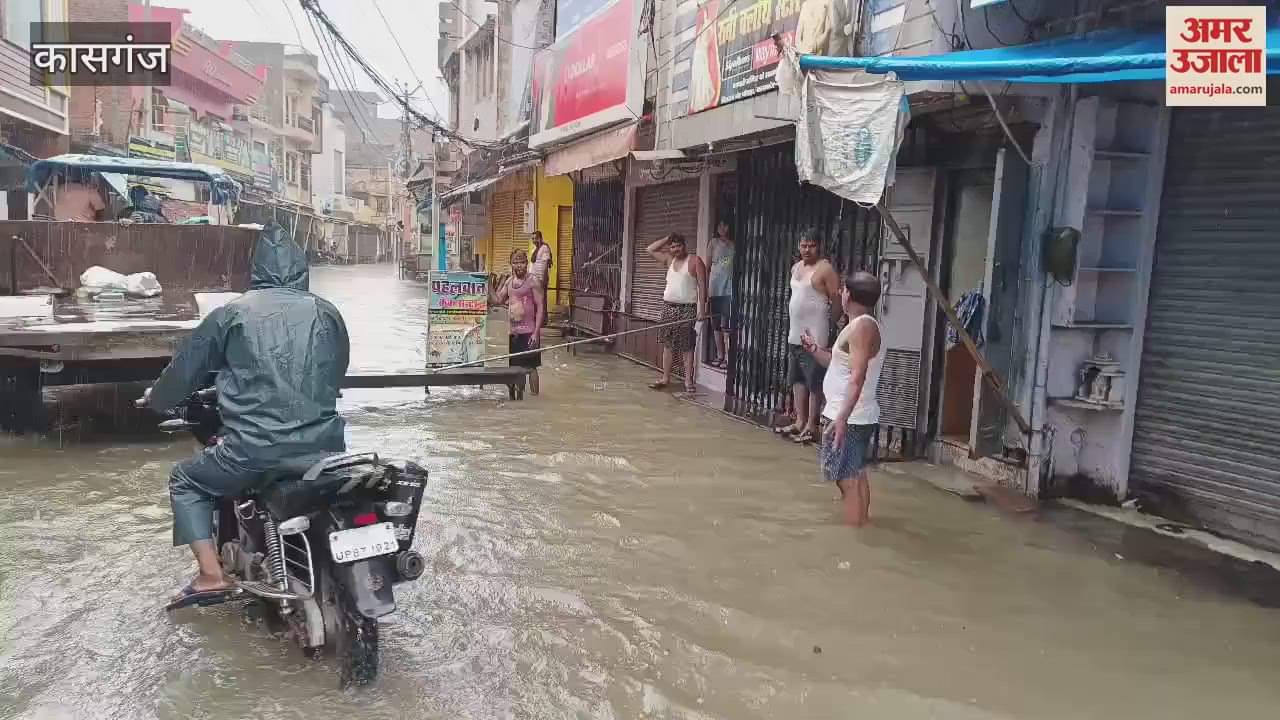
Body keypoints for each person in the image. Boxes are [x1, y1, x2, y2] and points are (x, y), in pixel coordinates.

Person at [143, 224, 350, 605]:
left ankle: (211, 576)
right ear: (302, 269)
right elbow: (336, 374)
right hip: (325, 450)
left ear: (257, 270)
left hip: (251, 451)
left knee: (185, 480)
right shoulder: (327, 311)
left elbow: (183, 374)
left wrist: (156, 399)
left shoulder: (232, 313)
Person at [802, 272, 884, 527]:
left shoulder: (862, 328)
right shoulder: (859, 326)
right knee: (855, 475)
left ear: (850, 295)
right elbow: (840, 365)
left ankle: (855, 534)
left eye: (844, 290)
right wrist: (815, 350)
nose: (840, 293)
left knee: (847, 480)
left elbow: (857, 376)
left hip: (850, 416)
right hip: (854, 414)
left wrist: (841, 419)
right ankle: (863, 526)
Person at [776, 227, 840, 444]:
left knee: (814, 381)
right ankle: (799, 421)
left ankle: (812, 425)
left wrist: (831, 323)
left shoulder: (825, 269)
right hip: (795, 334)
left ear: (819, 246)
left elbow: (836, 300)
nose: (807, 250)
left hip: (816, 335)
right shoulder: (796, 268)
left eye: (811, 246)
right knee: (797, 379)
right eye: (803, 245)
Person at [646, 232, 708, 394]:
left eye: (678, 246)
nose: (676, 249)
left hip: (687, 309)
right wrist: (667, 238)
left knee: (687, 346)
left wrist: (702, 310)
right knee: (668, 345)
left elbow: (703, 287)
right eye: (672, 247)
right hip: (668, 307)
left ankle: (688, 381)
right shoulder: (669, 260)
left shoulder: (695, 261)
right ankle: (665, 378)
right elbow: (650, 249)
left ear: (684, 246)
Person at [490, 248, 546, 395]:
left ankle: (535, 399)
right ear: (511, 264)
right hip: (514, 334)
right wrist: (487, 283)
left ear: (527, 263)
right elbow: (497, 300)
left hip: (529, 333)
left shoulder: (533, 281)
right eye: (515, 262)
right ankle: (518, 401)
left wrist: (536, 333)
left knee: (531, 368)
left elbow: (540, 307)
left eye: (522, 262)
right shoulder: (509, 282)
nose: (519, 265)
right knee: (515, 369)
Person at [707, 219, 734, 369]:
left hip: (728, 289)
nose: (722, 228)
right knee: (716, 324)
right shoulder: (713, 243)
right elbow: (707, 266)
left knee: (726, 325)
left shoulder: (733, 245)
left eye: (725, 225)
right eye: (719, 225)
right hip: (715, 288)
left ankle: (728, 358)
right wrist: (705, 290)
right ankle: (720, 355)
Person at [529, 230, 553, 327]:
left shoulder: (544, 248)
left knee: (541, 300)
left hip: (540, 279)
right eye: (533, 239)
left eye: (536, 238)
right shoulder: (534, 249)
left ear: (540, 238)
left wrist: (543, 279)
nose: (534, 240)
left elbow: (546, 264)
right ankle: (537, 319)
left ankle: (543, 321)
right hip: (533, 279)